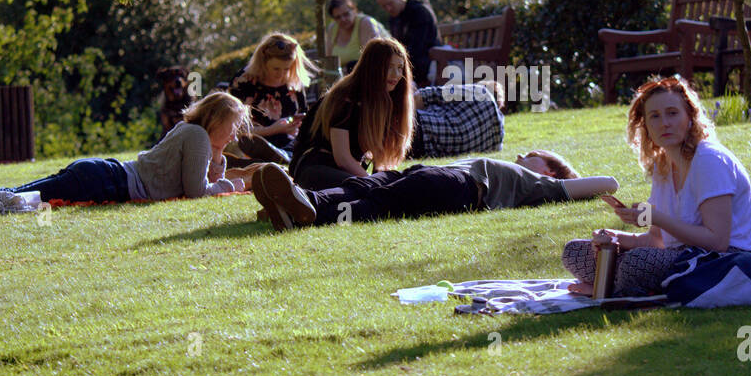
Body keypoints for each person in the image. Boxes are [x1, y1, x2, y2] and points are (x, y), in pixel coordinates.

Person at [0, 92, 256, 223]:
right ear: (218, 119)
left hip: (102, 173)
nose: (235, 134)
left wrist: (219, 160)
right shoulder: (195, 137)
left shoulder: (191, 133)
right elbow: (196, 192)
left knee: (15, 191)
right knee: (18, 199)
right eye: (233, 126)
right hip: (106, 182)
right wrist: (232, 183)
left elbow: (195, 182)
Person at [561, 76, 751, 296]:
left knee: (636, 263)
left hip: (726, 261)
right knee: (575, 252)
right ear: (645, 126)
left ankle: (607, 288)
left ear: (690, 117)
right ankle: (617, 285)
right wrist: (616, 239)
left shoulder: (709, 160)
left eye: (672, 113)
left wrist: (656, 217)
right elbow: (655, 240)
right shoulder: (663, 164)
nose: (664, 123)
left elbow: (717, 241)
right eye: (654, 116)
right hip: (679, 256)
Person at [251, 149, 618, 229]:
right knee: (362, 184)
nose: (522, 154)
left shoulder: (544, 185)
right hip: (428, 171)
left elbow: (609, 183)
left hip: (459, 187)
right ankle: (298, 202)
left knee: (380, 203)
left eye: (534, 155)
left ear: (552, 171)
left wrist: (563, 181)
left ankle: (310, 214)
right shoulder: (531, 177)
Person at [287, 36, 414, 190]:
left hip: (345, 174)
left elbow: (379, 161)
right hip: (315, 169)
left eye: (400, 68)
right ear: (372, 66)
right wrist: (375, 183)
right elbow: (343, 159)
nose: (396, 74)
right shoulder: (345, 98)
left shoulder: (383, 102)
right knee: (367, 190)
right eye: (389, 67)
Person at [228, 33, 316, 163]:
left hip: (290, 142)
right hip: (253, 142)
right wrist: (271, 130)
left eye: (286, 69)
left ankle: (286, 157)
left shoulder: (293, 82)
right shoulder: (244, 81)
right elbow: (233, 127)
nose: (281, 74)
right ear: (263, 63)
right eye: (276, 69)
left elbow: (301, 116)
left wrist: (296, 124)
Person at [410, 80, 505, 158]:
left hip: (420, 125)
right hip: (424, 151)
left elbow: (426, 95)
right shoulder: (497, 138)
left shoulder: (481, 92)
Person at [375, 0, 440, 86]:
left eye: (390, 3)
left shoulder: (419, 11)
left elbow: (417, 48)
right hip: (408, 62)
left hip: (425, 62)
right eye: (384, 6)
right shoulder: (394, 18)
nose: (388, 8)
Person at [325, 0, 389, 73]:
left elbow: (372, 59)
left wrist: (347, 70)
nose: (343, 19)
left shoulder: (366, 23)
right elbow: (329, 63)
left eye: (346, 14)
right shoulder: (332, 29)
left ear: (354, 10)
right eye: (338, 17)